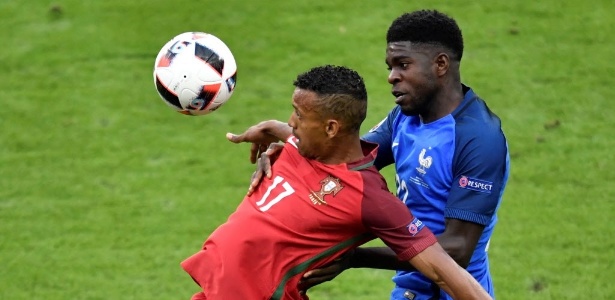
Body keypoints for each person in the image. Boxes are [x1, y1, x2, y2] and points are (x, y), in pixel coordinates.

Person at [227, 10, 509, 300]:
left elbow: (457, 248)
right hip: (413, 287)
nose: (391, 77)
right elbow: (341, 157)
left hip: (455, 291)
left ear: (440, 64)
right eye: (390, 66)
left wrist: (355, 257)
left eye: (403, 65)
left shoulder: (478, 139)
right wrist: (290, 142)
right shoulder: (405, 116)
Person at [182, 65, 491, 300]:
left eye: (299, 114)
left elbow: (443, 271)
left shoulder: (369, 198)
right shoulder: (302, 145)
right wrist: (270, 128)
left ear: (331, 128)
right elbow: (288, 132)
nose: (291, 121)